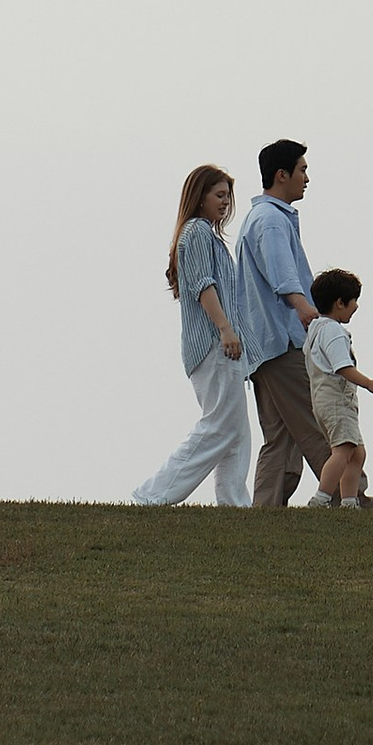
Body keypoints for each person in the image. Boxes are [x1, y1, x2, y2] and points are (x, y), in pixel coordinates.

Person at [131, 164, 250, 508]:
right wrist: (225, 330)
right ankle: (153, 494)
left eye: (228, 196)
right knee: (218, 427)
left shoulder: (206, 235)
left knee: (237, 433)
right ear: (199, 198)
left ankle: (234, 503)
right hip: (215, 345)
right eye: (219, 195)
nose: (226, 203)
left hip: (225, 345)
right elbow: (203, 286)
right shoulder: (196, 231)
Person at [236, 136, 343, 511]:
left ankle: (265, 511)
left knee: (280, 440)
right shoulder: (270, 221)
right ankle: (352, 499)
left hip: (264, 348)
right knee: (320, 424)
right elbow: (284, 279)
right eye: (302, 171)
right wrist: (313, 318)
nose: (307, 179)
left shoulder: (263, 219)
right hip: (283, 344)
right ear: (281, 175)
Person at [301, 269, 373, 505]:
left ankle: (350, 501)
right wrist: (369, 383)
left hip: (323, 402)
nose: (356, 306)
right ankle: (321, 498)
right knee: (343, 450)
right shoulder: (333, 332)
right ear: (340, 303)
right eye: (353, 301)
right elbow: (342, 367)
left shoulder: (315, 329)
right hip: (337, 402)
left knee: (357, 453)